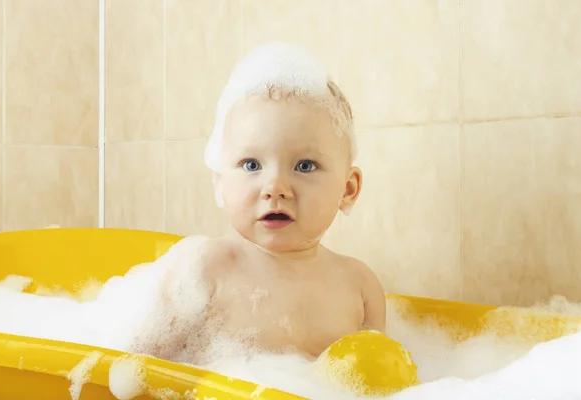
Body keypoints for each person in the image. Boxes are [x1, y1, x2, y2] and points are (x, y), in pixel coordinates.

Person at [127, 42, 387, 366]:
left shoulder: (360, 288)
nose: (275, 188)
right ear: (220, 183)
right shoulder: (206, 272)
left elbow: (381, 383)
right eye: (252, 165)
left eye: (304, 165)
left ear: (348, 189)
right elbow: (134, 371)